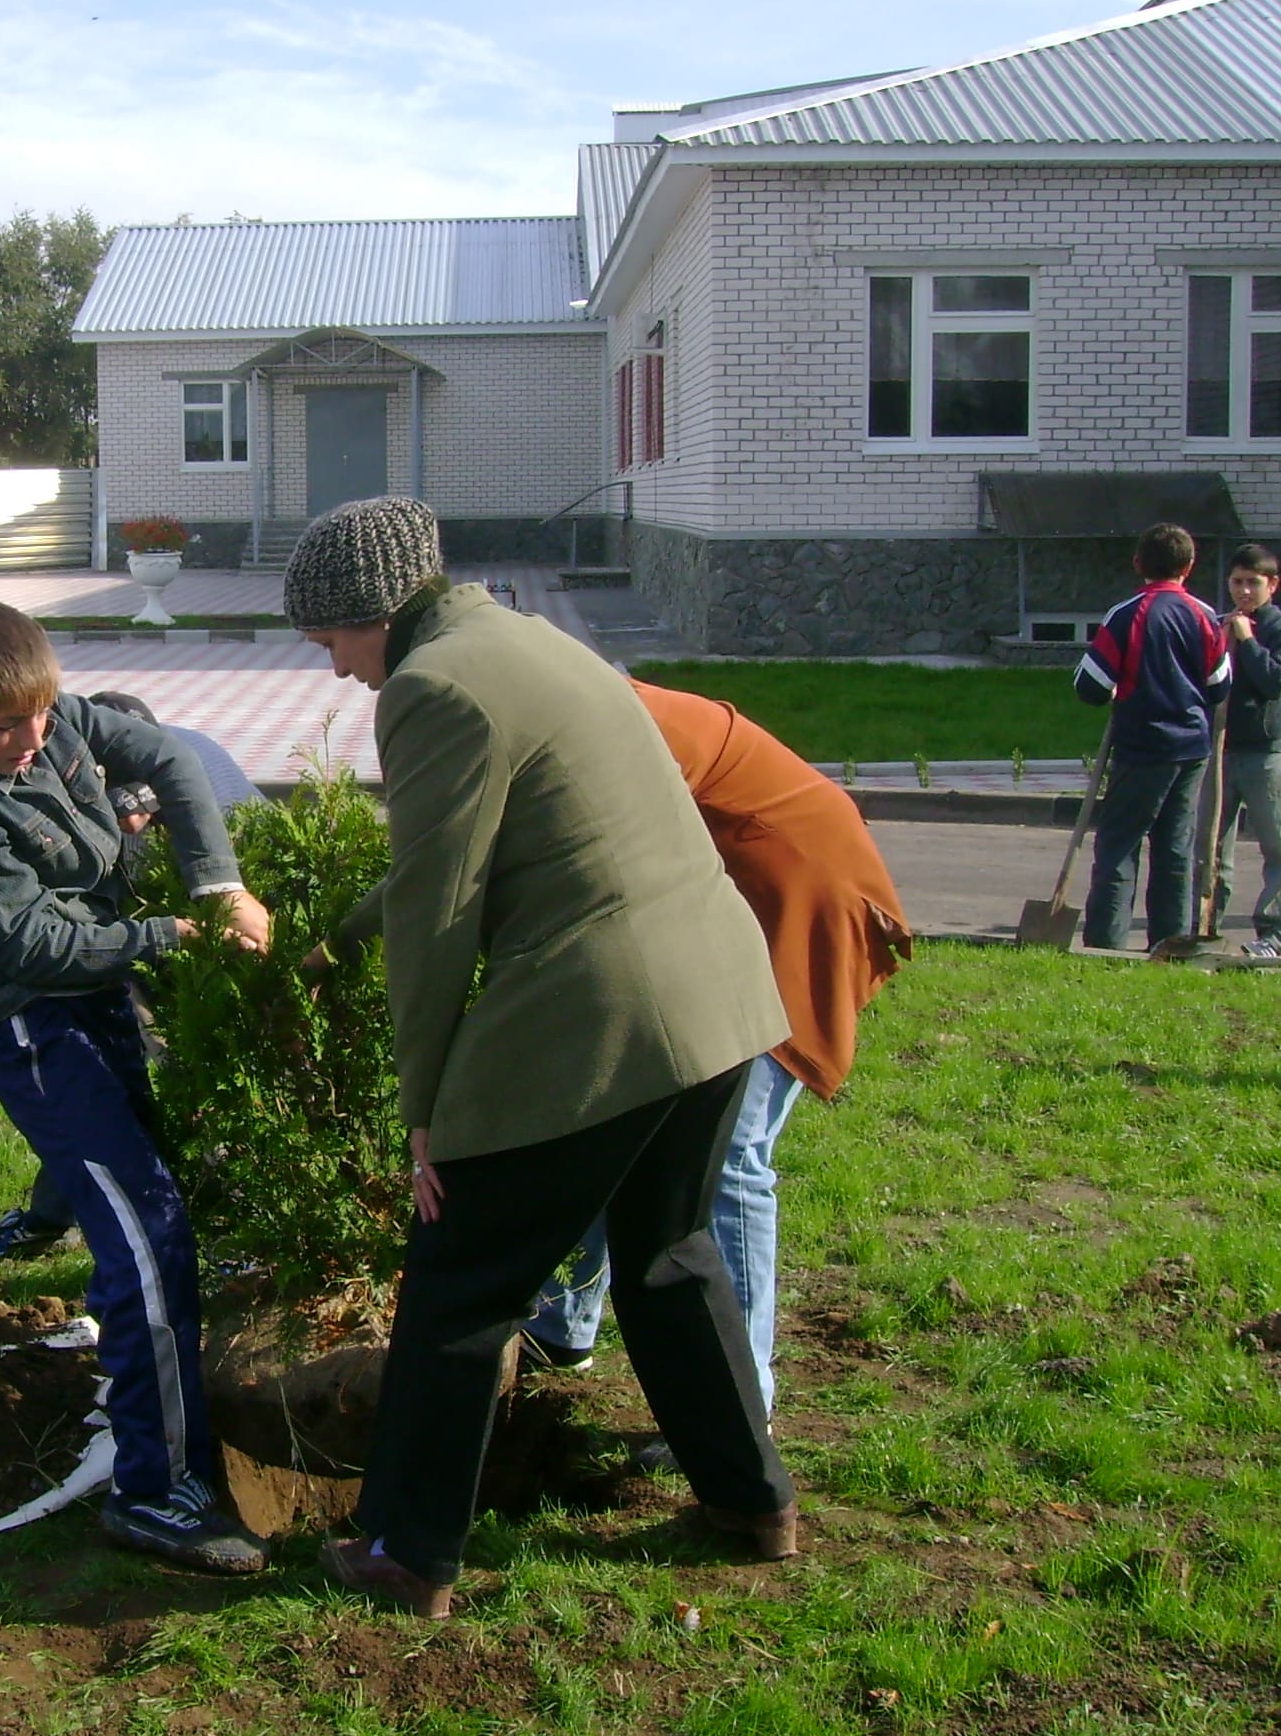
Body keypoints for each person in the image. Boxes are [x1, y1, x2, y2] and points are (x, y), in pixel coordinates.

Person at [287, 499, 798, 1620]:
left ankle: (405, 1555)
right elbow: (443, 858)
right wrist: (334, 943)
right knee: (666, 1253)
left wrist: (424, 1113)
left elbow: (440, 916)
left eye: (328, 644)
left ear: (370, 615)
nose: (334, 673)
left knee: (460, 1280)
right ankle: (751, 1502)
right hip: (715, 1000)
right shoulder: (524, 641)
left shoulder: (430, 689)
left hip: (607, 1010)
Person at [0, 602, 274, 1573]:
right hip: (34, 1029)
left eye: (42, 717)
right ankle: (152, 1492)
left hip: (98, 1000)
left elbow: (172, 758)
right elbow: (33, 944)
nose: (31, 742)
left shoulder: (50, 718)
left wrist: (213, 884)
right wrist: (172, 936)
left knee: (158, 1215)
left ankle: (179, 1443)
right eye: (3, 730)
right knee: (145, 1242)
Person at [523, 682, 912, 1418]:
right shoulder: (557, 720)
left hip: (791, 900)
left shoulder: (606, 722)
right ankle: (563, 1323)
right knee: (622, 1107)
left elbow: (599, 861)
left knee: (728, 1151)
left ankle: (739, 1402)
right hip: (726, 903)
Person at [0, 691, 266, 1266]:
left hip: (228, 937)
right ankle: (48, 1220)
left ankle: (228, 1227)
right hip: (137, 939)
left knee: (203, 1086)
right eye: (119, 812)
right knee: (102, 1104)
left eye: (140, 809)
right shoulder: (73, 774)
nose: (132, 824)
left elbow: (244, 885)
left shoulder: (216, 799)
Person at [1075, 522, 1231, 952]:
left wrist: (1116, 685)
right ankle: (1170, 943)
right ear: (1190, 566)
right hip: (1191, 749)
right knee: (1175, 848)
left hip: (1142, 747)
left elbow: (1089, 686)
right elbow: (1220, 686)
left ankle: (1105, 945)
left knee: (1119, 846)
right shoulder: (1204, 616)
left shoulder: (1127, 614)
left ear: (1138, 563)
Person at [1214, 543, 1281, 958]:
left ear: (1273, 585)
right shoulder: (1221, 624)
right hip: (1219, 750)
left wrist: (1248, 643)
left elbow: (1275, 682)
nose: (1244, 591)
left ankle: (1274, 933)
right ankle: (1205, 924)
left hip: (1262, 752)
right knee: (1211, 847)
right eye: (1237, 582)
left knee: (1277, 847)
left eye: (1254, 583)